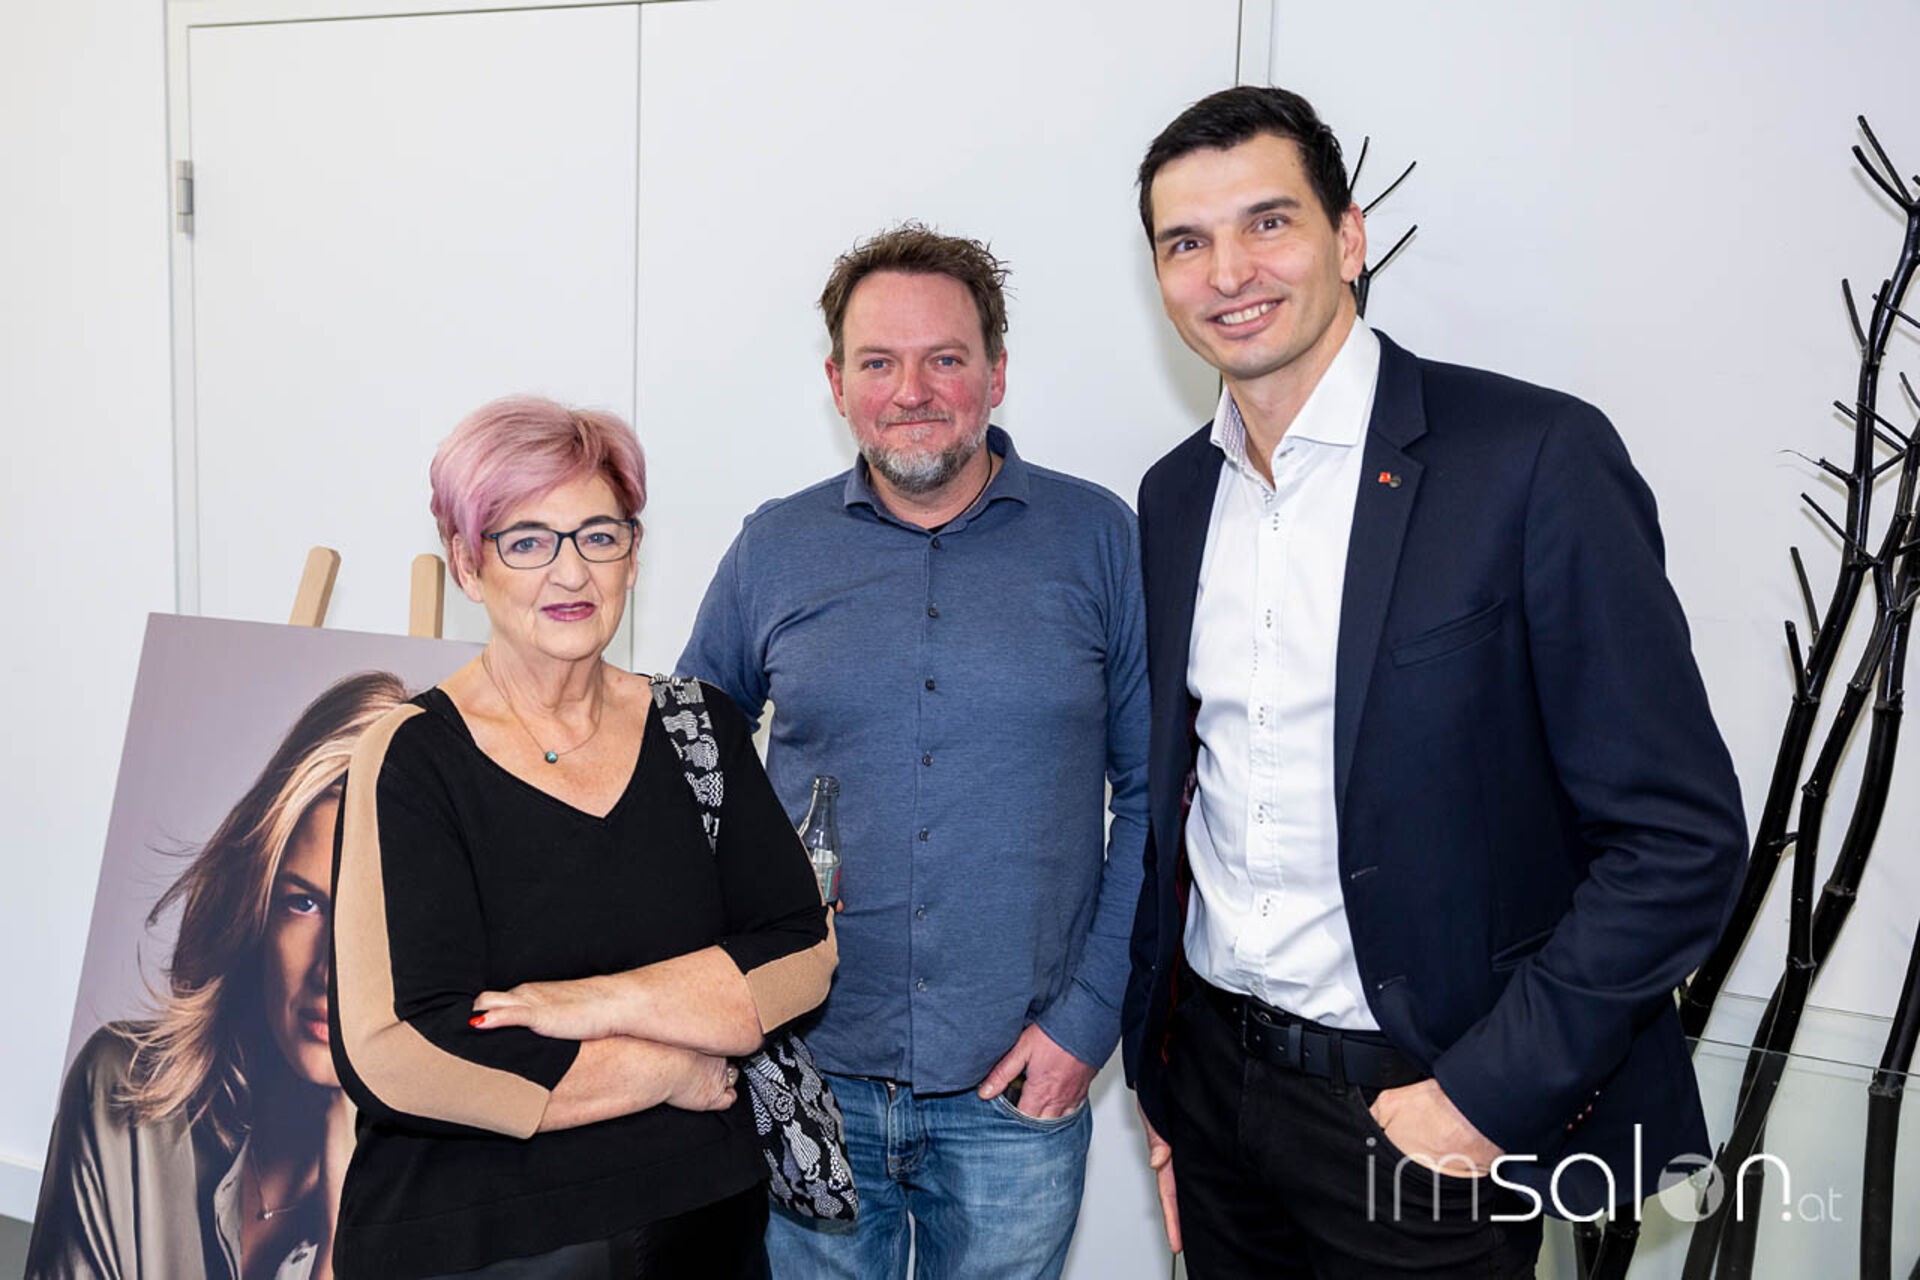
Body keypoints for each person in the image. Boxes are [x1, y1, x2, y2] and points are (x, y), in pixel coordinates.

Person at [1120, 86, 1748, 1277]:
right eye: (1185, 242)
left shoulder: (1532, 459)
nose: (1228, 271)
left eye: (1268, 222)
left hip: (1424, 1119)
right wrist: (1166, 1073)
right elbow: (1183, 796)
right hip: (1213, 1094)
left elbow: (1680, 839)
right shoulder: (1175, 495)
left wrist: (1483, 1097)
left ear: (1349, 237)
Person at [676, 223, 1150, 1279]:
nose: (913, 391)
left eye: (945, 358)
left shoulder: (1099, 541)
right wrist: (727, 992)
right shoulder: (773, 547)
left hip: (1017, 1084)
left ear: (997, 372)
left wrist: (1088, 1022)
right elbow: (687, 774)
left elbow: (1158, 797)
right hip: (808, 1074)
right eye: (880, 363)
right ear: (838, 383)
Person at [326, 396, 834, 1279]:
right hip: (490, 1246)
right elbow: (397, 1048)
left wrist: (597, 1003)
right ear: (468, 564)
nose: (571, 573)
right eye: (528, 541)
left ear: (633, 556)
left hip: (704, 1231)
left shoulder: (699, 729)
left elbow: (799, 954)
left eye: (599, 536)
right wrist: (662, 1069)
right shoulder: (409, 757)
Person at [28, 671, 410, 1280]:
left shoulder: (448, 1196)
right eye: (303, 903)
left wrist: (345, 1239)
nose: (330, 971)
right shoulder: (121, 1100)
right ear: (255, 905)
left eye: (376, 920)